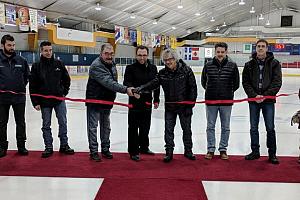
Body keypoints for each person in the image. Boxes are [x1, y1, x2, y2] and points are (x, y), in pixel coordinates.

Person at [136, 48, 197, 163]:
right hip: (170, 107)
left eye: (170, 59)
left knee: (187, 130)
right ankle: (169, 152)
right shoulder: (163, 73)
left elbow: (193, 88)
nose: (168, 62)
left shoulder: (186, 71)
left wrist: (190, 105)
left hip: (184, 107)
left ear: (175, 59)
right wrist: (141, 89)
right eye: (165, 60)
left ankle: (188, 151)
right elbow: (153, 84)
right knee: (168, 130)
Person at [86, 43, 134, 162]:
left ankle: (105, 149)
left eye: (111, 54)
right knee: (93, 127)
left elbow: (113, 81)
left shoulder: (111, 64)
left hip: (107, 100)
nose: (109, 56)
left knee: (106, 127)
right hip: (95, 100)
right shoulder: (96, 66)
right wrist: (125, 89)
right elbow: (109, 82)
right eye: (106, 54)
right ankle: (93, 151)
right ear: (101, 53)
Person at [29, 41, 74, 158]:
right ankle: (48, 146)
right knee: (46, 124)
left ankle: (64, 145)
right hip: (44, 102)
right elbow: (32, 86)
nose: (48, 53)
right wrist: (35, 102)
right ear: (41, 51)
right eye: (46, 50)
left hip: (59, 100)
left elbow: (66, 79)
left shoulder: (59, 63)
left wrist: (64, 92)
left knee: (63, 123)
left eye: (50, 50)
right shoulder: (36, 66)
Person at [242, 39, 282, 164]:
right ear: (255, 48)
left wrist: (264, 96)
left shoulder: (275, 63)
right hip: (254, 101)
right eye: (258, 46)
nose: (260, 48)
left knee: (270, 127)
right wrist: (254, 95)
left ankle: (272, 154)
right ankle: (255, 152)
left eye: (263, 46)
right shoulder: (249, 65)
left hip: (268, 101)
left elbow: (277, 82)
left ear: (267, 48)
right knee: (253, 127)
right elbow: (246, 82)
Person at [201, 42, 240, 160]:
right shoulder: (208, 65)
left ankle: (223, 149)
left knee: (225, 127)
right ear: (215, 52)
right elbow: (204, 82)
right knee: (210, 126)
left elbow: (236, 83)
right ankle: (210, 149)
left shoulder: (232, 66)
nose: (220, 54)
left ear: (226, 52)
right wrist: (211, 92)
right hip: (211, 101)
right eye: (218, 52)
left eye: (222, 52)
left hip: (226, 101)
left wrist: (227, 92)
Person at [123, 45, 160, 161]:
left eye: (144, 55)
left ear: (147, 55)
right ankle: (133, 151)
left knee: (145, 126)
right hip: (134, 102)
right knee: (133, 127)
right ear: (136, 55)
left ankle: (144, 147)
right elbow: (127, 82)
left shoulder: (153, 68)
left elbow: (156, 85)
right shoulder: (130, 68)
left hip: (148, 102)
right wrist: (133, 91)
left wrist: (157, 99)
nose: (142, 58)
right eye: (139, 55)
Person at [0, 34, 30, 158]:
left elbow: (26, 76)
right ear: (2, 45)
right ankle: (2, 147)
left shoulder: (21, 60)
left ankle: (21, 146)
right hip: (2, 98)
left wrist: (20, 87)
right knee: (1, 123)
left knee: (20, 122)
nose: (12, 47)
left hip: (19, 98)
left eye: (13, 45)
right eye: (9, 45)